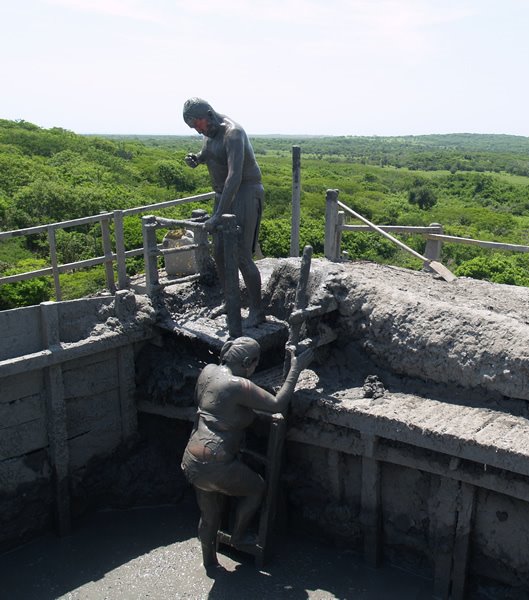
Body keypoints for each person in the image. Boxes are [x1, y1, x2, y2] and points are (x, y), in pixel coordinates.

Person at [180, 336, 313, 571]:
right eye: (254, 365)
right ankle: (239, 536)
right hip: (216, 462)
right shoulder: (238, 385)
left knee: (209, 515)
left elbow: (205, 406)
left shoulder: (208, 371)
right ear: (247, 362)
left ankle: (209, 563)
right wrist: (295, 369)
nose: (254, 370)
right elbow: (277, 404)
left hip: (192, 457)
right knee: (257, 488)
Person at [182, 98, 266, 327]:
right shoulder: (209, 134)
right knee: (219, 252)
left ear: (209, 115)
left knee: (240, 254)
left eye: (198, 125)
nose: (198, 130)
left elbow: (234, 176)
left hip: (245, 193)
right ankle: (231, 302)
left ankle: (257, 312)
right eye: (193, 128)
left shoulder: (233, 134)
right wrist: (197, 159)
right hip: (223, 196)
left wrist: (218, 214)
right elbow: (208, 154)